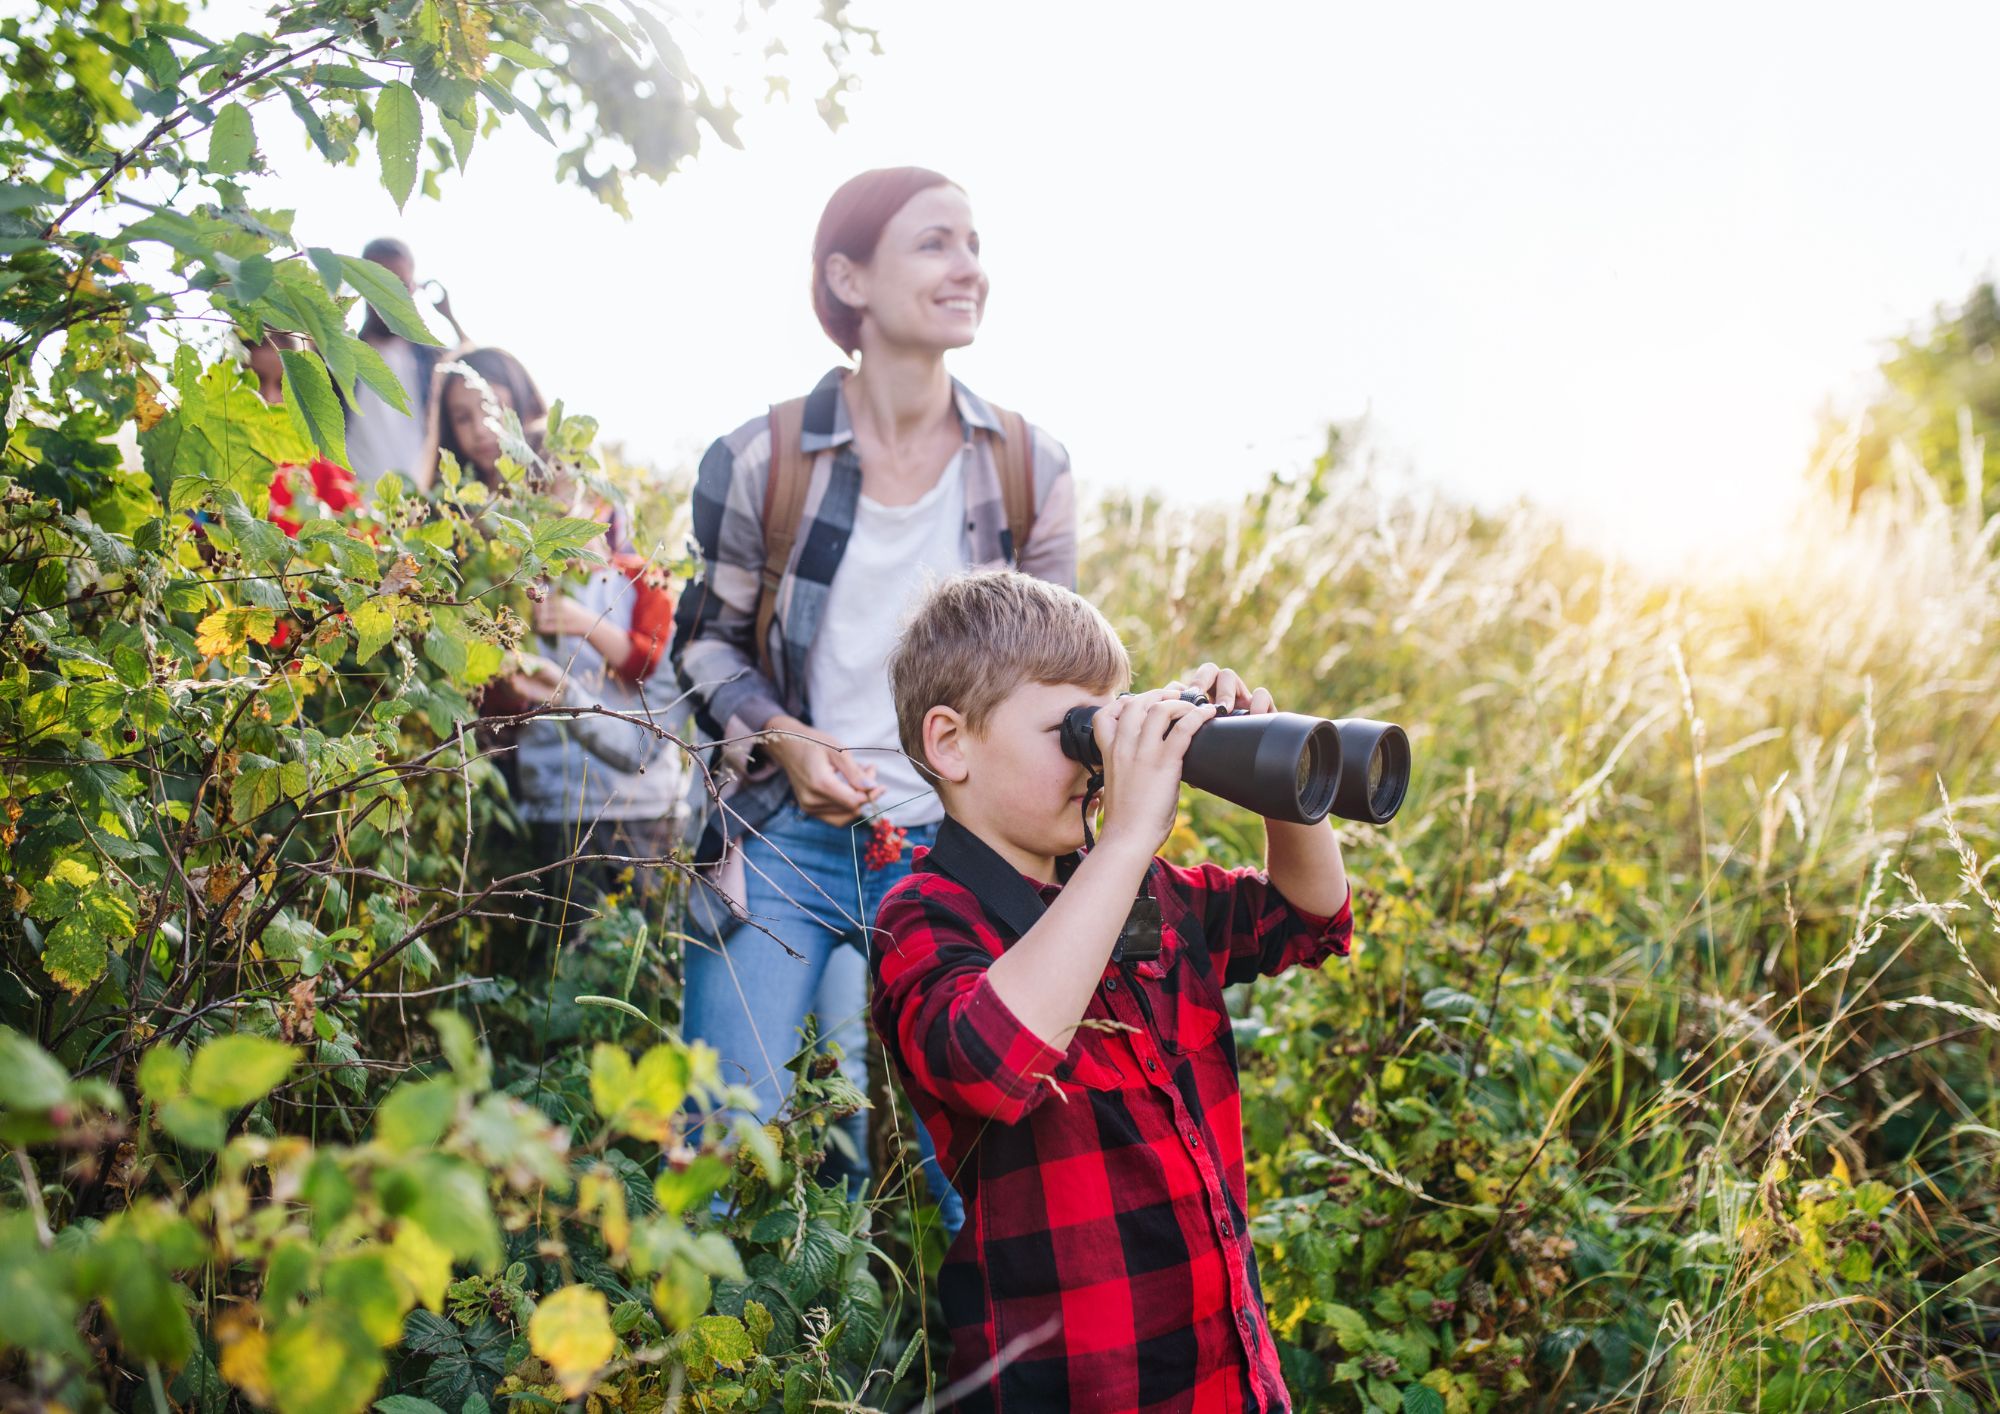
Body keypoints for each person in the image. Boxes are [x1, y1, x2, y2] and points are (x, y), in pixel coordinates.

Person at [672, 167, 1077, 1232]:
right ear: (846, 277)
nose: (969, 267)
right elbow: (703, 646)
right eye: (934, 243)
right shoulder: (757, 459)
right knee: (727, 1137)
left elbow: (1058, 683)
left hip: (958, 853)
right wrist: (788, 738)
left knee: (995, 1179)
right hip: (783, 842)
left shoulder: (1029, 466)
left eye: (975, 243)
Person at [872, 569, 1356, 1413]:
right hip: (1078, 1387)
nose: (1100, 762)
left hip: (1230, 1373)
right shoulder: (923, 916)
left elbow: (1304, 921)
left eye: (1111, 724)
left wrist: (1282, 773)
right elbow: (990, 1059)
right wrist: (1127, 838)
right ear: (951, 744)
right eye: (1075, 731)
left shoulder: (1144, 890)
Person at [438, 348, 685, 944]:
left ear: (598, 503)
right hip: (551, 801)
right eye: (536, 497)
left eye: (566, 495)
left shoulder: (636, 580)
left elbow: (653, 667)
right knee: (555, 952)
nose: (556, 512)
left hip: (636, 805)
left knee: (632, 952)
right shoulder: (513, 586)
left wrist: (582, 624)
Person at [343, 237, 446, 490]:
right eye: (377, 283)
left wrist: (450, 317)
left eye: (399, 284)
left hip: (420, 507)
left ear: (412, 287)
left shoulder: (431, 360)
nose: (388, 295)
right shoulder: (339, 356)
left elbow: (483, 376)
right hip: (353, 510)